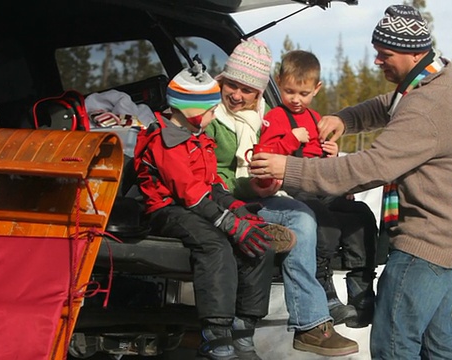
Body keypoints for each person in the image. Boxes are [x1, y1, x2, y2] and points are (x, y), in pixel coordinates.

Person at [249, 5, 452, 359]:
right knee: (437, 346)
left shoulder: (427, 105)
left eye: (385, 54)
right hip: (448, 241)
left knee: (392, 346)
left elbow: (367, 168)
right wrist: (346, 119)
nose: (377, 61)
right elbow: (391, 104)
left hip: (425, 247)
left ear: (413, 51)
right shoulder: (432, 79)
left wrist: (288, 168)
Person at [204, 37, 359, 357]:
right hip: (226, 198)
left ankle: (311, 324)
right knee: (299, 218)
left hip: (265, 194)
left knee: (304, 216)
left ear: (260, 91)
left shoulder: (269, 117)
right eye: (231, 85)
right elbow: (210, 174)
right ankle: (307, 316)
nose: (236, 94)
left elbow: (292, 155)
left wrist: (324, 157)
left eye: (246, 89)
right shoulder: (209, 116)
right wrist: (257, 185)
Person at [133, 64, 292, 360]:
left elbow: (211, 185)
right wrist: (229, 223)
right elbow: (188, 193)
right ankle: (215, 332)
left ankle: (244, 328)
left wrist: (237, 208)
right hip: (167, 210)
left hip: (195, 206)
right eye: (209, 110)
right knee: (215, 244)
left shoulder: (199, 137)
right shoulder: (166, 140)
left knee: (257, 241)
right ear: (191, 109)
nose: (213, 116)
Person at [259, 49, 379, 328]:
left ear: (316, 88)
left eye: (303, 93)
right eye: (289, 92)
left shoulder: (316, 119)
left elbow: (323, 160)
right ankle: (324, 291)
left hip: (319, 186)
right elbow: (265, 153)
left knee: (359, 214)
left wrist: (331, 153)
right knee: (322, 223)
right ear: (278, 83)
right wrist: (290, 139)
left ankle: (360, 286)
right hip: (292, 189)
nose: (296, 100)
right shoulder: (275, 117)